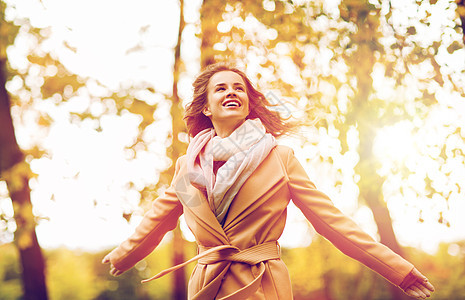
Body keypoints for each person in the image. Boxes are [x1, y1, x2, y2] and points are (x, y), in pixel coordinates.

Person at [103, 62, 435, 299]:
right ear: (206, 107)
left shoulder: (280, 157)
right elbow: (159, 217)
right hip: (207, 286)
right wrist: (124, 255)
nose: (232, 92)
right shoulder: (188, 168)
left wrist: (398, 271)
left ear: (248, 104)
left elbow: (332, 222)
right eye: (221, 88)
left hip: (261, 285)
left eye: (239, 88)